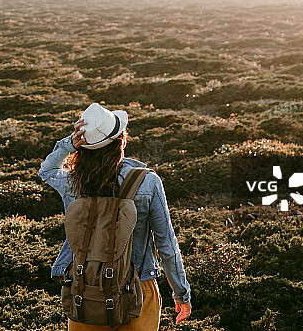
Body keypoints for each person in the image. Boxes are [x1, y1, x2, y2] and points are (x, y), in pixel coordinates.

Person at [39, 103, 192, 330]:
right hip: (139, 288)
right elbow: (166, 244)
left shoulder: (72, 182)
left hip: (86, 288)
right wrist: (181, 293)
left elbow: (47, 170)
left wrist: (69, 144)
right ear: (121, 142)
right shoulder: (147, 182)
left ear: (84, 147)